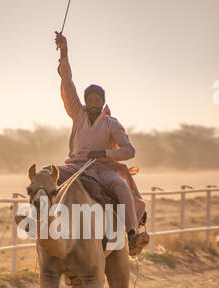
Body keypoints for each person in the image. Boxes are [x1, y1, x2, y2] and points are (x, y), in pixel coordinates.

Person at [54, 32, 149, 256]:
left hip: (104, 168)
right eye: (89, 100)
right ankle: (37, 221)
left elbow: (129, 151)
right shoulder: (77, 114)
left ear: (103, 102)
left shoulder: (112, 123)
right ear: (85, 101)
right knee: (47, 174)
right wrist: (64, 53)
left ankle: (132, 235)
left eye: (96, 100)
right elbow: (67, 84)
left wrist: (104, 153)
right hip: (75, 166)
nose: (92, 104)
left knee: (121, 187)